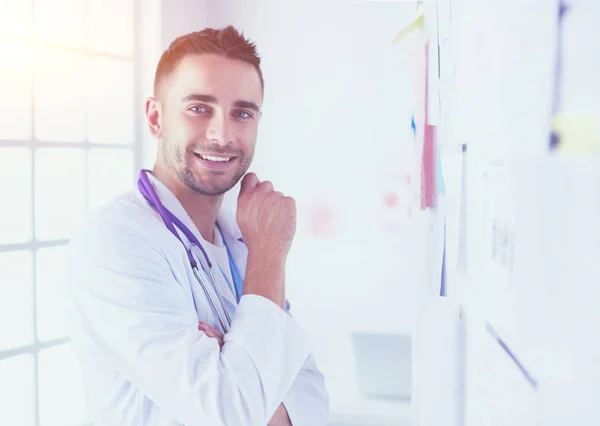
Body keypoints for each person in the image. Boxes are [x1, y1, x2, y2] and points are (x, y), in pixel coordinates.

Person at [64, 26, 329, 426]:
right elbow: (231, 414)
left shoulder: (241, 240)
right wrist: (271, 256)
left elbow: (314, 399)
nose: (222, 135)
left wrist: (240, 376)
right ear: (156, 117)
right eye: (199, 108)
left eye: (242, 113)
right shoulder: (115, 242)